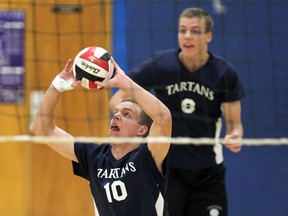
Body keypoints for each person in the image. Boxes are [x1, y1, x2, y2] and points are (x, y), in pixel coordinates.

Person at [109, 7, 245, 216]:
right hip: (167, 169)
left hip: (208, 173)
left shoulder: (224, 74)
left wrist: (235, 136)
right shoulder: (161, 65)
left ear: (208, 36)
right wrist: (141, 119)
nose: (187, 36)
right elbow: (116, 101)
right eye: (182, 30)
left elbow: (235, 123)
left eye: (195, 31)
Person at [31, 57, 172, 216]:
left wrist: (125, 83)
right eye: (116, 112)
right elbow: (42, 129)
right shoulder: (94, 156)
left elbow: (163, 118)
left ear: (142, 130)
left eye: (127, 115)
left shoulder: (148, 156)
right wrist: (56, 86)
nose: (117, 116)